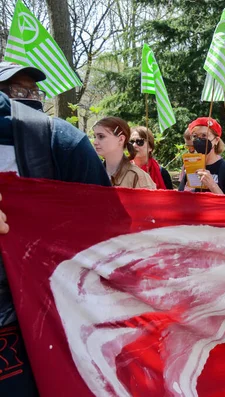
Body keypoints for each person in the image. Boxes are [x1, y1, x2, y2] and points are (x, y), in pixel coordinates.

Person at [0, 62, 111, 396]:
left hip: (41, 333)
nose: (27, 99)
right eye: (16, 91)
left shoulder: (62, 141)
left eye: (32, 92)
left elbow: (109, 234)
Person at [178, 117, 225, 195]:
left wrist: (212, 185)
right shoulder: (190, 167)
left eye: (204, 135)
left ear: (216, 140)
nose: (199, 140)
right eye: (195, 136)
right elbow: (179, 198)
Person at [93, 117, 156, 189]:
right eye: (95, 137)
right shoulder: (91, 174)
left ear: (121, 139)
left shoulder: (137, 177)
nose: (95, 142)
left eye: (101, 136)